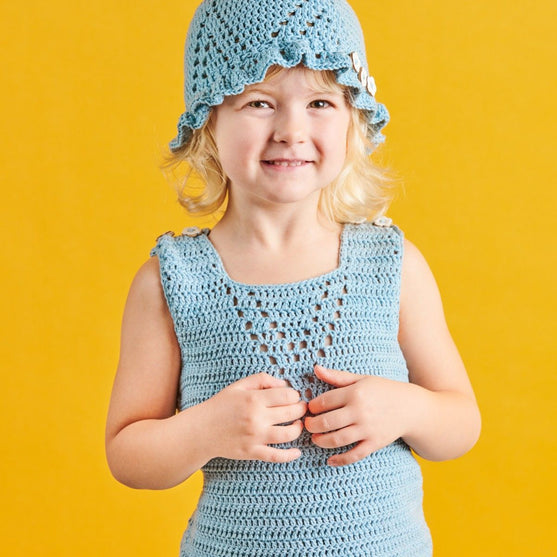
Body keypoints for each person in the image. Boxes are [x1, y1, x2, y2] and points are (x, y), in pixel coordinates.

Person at [105, 0, 481, 555]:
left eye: (320, 102)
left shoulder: (391, 265)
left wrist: (407, 409)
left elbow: (461, 422)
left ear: (353, 117)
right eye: (259, 102)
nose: (291, 130)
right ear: (209, 118)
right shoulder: (174, 281)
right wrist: (205, 429)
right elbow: (127, 452)